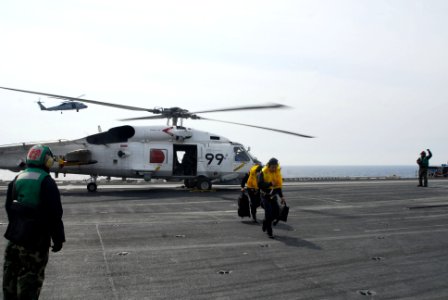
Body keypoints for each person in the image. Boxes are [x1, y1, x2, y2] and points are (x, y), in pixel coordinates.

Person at [3, 144, 65, 300]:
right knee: (30, 281)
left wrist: (19, 227)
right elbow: (55, 214)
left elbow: (9, 208)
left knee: (10, 278)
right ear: (46, 161)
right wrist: (58, 239)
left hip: (14, 240)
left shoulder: (17, 178)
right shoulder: (46, 181)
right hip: (35, 243)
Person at [257, 158, 285, 238]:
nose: (274, 169)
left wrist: (282, 197)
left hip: (273, 196)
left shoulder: (276, 173)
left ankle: (265, 222)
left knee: (276, 213)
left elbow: (278, 187)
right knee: (268, 214)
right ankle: (269, 232)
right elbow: (259, 184)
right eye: (272, 167)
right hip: (264, 196)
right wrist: (269, 184)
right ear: (269, 166)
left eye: (275, 167)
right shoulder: (262, 173)